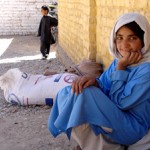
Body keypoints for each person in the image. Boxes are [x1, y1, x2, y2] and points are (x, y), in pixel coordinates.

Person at [48, 12, 150, 150]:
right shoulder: (117, 62)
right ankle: (88, 143)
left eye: (132, 38)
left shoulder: (146, 69)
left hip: (133, 128)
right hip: (115, 119)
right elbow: (105, 86)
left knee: (85, 95)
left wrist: (121, 68)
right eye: (119, 38)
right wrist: (94, 82)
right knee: (70, 90)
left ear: (144, 40)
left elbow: (120, 103)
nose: (124, 45)